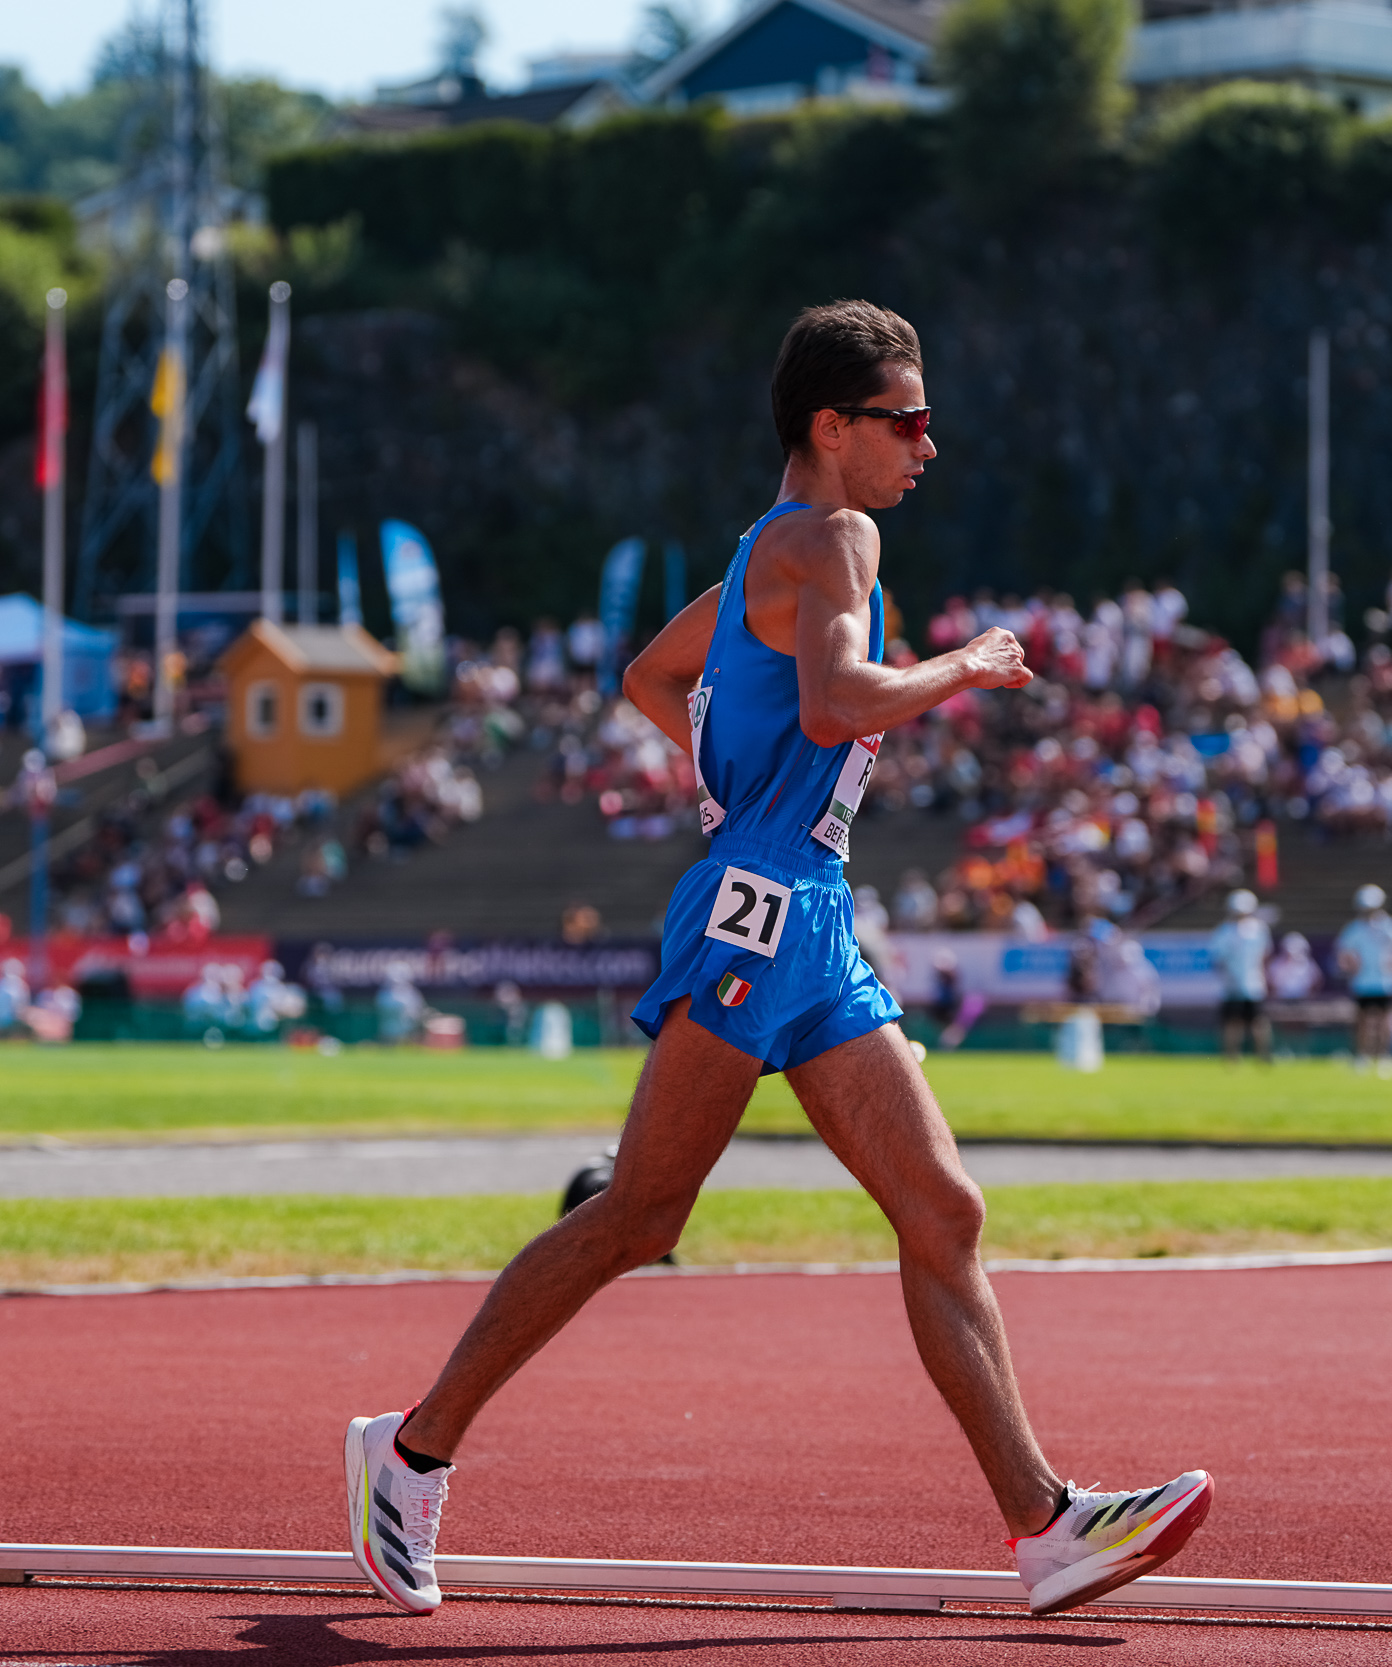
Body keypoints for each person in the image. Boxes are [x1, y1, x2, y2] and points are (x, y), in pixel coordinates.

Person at [345, 301, 1209, 1621]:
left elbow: (652, 674)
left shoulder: (771, 549)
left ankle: (1045, 1525)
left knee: (943, 1210)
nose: (928, 445)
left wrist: (734, 785)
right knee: (641, 1213)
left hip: (807, 905)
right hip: (766, 901)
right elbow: (836, 702)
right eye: (908, 420)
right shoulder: (839, 538)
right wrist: (965, 664)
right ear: (832, 424)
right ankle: (406, 1455)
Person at [1334, 885, 1392, 1076]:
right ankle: (1362, 1056)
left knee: (1385, 1021)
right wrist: (1350, 965)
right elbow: (1342, 952)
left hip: (1385, 981)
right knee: (1362, 1021)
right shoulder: (1355, 928)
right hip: (1362, 981)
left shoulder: (1391, 926)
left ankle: (1384, 1057)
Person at [1207, 889, 1273, 1063]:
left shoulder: (1258, 929)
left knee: (1257, 1021)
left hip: (1253, 984)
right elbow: (1217, 959)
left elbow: (1265, 956)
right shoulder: (1224, 931)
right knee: (1232, 1022)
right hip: (1231, 985)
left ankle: (1263, 1056)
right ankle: (1232, 1058)